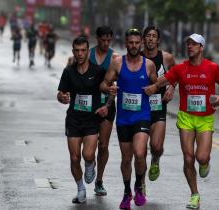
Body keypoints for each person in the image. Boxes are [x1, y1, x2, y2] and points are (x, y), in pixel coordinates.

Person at [144, 33, 219, 209]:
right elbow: (161, 81)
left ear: (201, 47)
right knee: (188, 158)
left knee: (201, 157)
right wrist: (149, 86)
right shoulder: (180, 68)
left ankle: (205, 163)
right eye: (188, 44)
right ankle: (194, 194)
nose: (190, 47)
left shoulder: (212, 67)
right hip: (186, 118)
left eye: (194, 44)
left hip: (205, 118)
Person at [100, 28, 157, 209]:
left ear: (140, 43)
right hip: (124, 118)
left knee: (140, 153)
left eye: (136, 43)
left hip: (142, 116)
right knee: (126, 159)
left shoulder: (148, 65)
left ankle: (139, 185)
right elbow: (103, 84)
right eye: (130, 43)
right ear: (126, 43)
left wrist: (154, 88)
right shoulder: (117, 63)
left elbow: (157, 84)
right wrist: (108, 90)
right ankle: (127, 192)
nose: (133, 46)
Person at [57, 36, 109, 204]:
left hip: (91, 120)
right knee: (74, 158)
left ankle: (90, 165)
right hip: (73, 119)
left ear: (88, 51)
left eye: (83, 50)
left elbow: (109, 91)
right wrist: (62, 97)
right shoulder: (69, 71)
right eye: (77, 51)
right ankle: (80, 189)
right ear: (73, 52)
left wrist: (106, 106)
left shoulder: (98, 71)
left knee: (87, 155)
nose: (80, 54)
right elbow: (60, 93)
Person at [141, 26, 176, 181]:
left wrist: (171, 88)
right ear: (143, 39)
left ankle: (155, 160)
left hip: (158, 107)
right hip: (140, 109)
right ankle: (140, 184)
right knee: (140, 151)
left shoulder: (166, 58)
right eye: (148, 36)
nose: (150, 39)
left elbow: (175, 76)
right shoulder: (137, 57)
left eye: (154, 36)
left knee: (156, 147)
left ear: (158, 40)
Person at [89, 26, 119, 196]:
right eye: (103, 40)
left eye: (109, 40)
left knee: (103, 144)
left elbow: (114, 87)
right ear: (97, 38)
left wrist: (108, 105)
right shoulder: (88, 54)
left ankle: (99, 180)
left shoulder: (115, 58)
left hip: (107, 104)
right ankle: (90, 163)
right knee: (90, 146)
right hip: (90, 105)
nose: (106, 43)